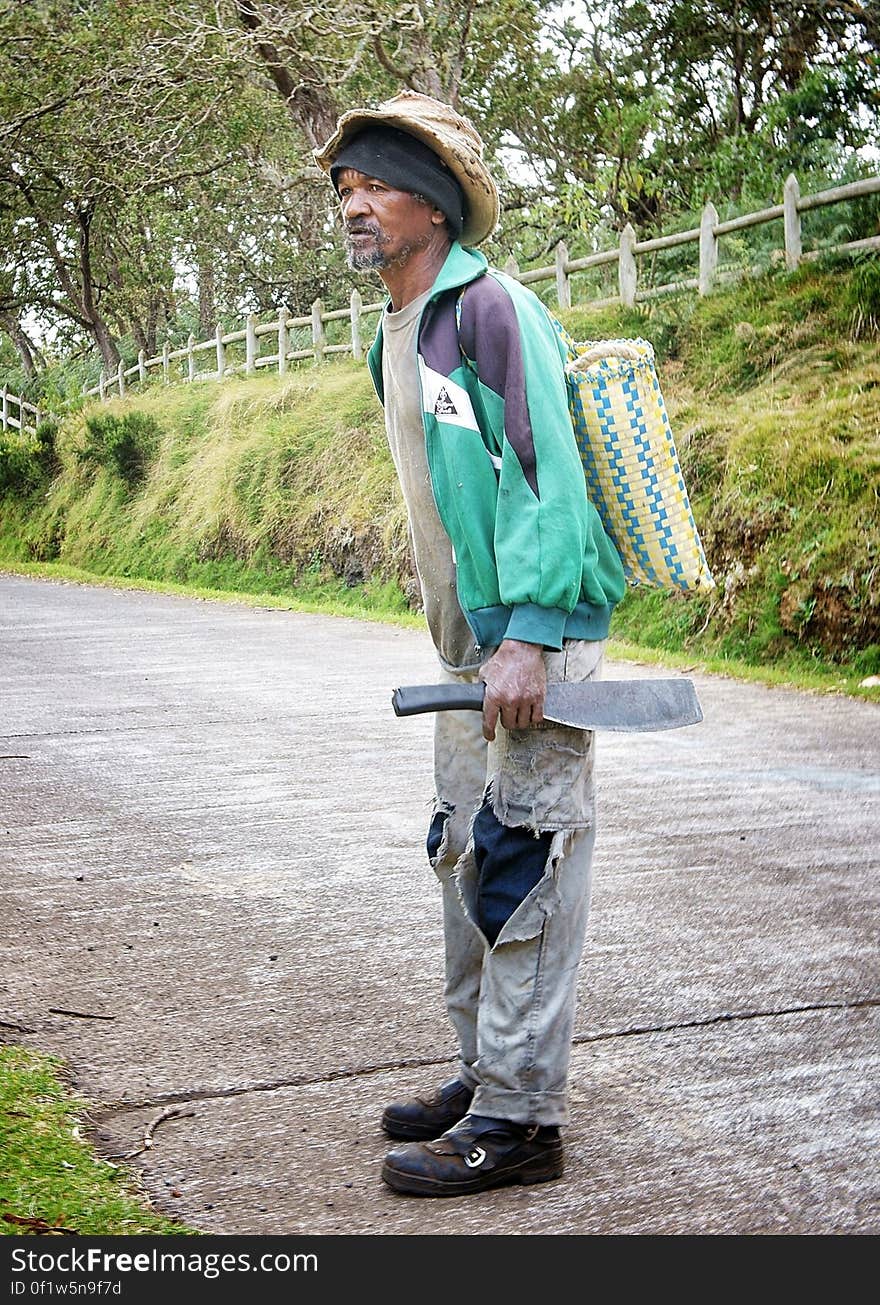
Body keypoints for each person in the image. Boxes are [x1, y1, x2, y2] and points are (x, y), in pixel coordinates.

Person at [314, 91, 626, 1198]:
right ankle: (482, 1071)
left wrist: (531, 637)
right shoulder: (394, 327)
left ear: (436, 204)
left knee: (525, 867)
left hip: (526, 647)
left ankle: (522, 1119)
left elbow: (544, 473)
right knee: (462, 856)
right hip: (466, 652)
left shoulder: (489, 310)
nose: (353, 203)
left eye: (376, 183)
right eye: (344, 185)